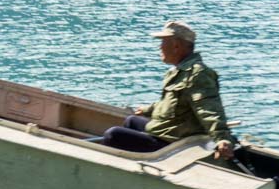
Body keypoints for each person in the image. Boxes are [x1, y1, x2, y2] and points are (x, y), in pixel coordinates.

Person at [94, 20, 236, 158]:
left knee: (113, 135)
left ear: (176, 45)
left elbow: (209, 110)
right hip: (167, 131)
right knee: (132, 121)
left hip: (173, 142)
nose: (160, 47)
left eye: (163, 42)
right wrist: (148, 109)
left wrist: (222, 138)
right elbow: (173, 104)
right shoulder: (178, 71)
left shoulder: (197, 74)